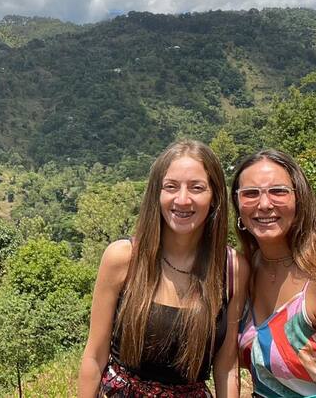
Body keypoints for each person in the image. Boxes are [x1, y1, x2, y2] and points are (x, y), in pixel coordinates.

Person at [78, 139, 249, 397]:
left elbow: (226, 366)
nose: (182, 199)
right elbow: (94, 356)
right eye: (171, 187)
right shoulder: (123, 258)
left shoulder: (231, 268)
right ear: (157, 194)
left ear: (214, 197)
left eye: (196, 187)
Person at [231, 149, 316, 398]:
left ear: (299, 200)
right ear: (238, 205)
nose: (264, 204)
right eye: (250, 194)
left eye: (278, 191)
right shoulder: (246, 269)